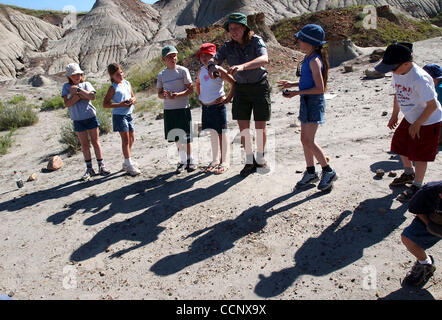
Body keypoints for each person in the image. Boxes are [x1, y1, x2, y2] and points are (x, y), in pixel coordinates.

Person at [375, 42, 442, 201]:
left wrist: (418, 123)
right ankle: (408, 173)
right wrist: (395, 114)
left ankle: (417, 186)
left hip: (428, 121)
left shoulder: (420, 78)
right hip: (411, 117)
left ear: (406, 63)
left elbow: (432, 106)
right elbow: (398, 94)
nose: (391, 71)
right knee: (399, 144)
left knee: (420, 155)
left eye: (392, 67)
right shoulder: (398, 72)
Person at [208, 12, 271, 178]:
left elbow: (264, 59)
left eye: (236, 28)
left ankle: (260, 157)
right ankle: (249, 161)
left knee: (260, 127)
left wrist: (242, 67)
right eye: (230, 29)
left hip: (259, 87)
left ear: (244, 28)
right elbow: (214, 60)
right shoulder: (228, 46)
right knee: (244, 128)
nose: (233, 32)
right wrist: (212, 67)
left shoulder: (256, 40)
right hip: (241, 89)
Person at [278, 24, 337, 191]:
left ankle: (328, 171)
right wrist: (293, 83)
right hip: (306, 101)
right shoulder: (310, 58)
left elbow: (320, 88)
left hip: (313, 103)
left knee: (307, 140)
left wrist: (296, 93)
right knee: (304, 139)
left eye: (301, 39)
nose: (298, 41)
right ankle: (311, 172)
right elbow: (308, 82)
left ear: (310, 43)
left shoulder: (314, 61)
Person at [61, 63, 111, 181]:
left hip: (90, 117)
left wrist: (77, 91)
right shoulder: (66, 87)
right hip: (78, 119)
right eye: (74, 75)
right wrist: (80, 96)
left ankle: (101, 166)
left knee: (95, 142)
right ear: (69, 76)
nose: (77, 76)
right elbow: (67, 103)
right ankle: (89, 168)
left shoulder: (86, 84)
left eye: (78, 74)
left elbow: (92, 97)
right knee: (84, 145)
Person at [196, 43, 236, 175]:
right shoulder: (201, 70)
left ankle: (225, 161)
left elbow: (233, 82)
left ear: (213, 55)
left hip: (218, 105)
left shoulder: (218, 69)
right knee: (212, 133)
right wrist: (200, 95)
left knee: (222, 133)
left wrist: (229, 97)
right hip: (206, 107)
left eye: (207, 55)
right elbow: (197, 83)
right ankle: (214, 160)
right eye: (202, 55)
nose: (204, 57)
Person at [157, 45, 196, 173]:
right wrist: (165, 95)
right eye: (169, 57)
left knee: (186, 136)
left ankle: (190, 160)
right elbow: (159, 94)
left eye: (174, 55)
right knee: (176, 137)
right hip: (169, 109)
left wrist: (178, 95)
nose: (173, 58)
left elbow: (190, 89)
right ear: (164, 59)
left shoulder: (183, 71)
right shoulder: (161, 75)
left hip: (183, 108)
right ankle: (183, 160)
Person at [401, 181, 441, 287]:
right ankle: (425, 263)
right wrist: (429, 225)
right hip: (434, 221)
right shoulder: (430, 191)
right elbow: (418, 209)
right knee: (407, 238)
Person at [103, 63, 141, 176]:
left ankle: (126, 160)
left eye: (121, 73)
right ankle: (129, 164)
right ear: (112, 76)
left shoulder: (126, 83)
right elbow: (105, 104)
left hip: (129, 114)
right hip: (119, 116)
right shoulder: (113, 88)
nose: (120, 76)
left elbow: (133, 95)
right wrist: (121, 104)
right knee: (125, 139)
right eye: (117, 74)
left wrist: (132, 100)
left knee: (132, 137)